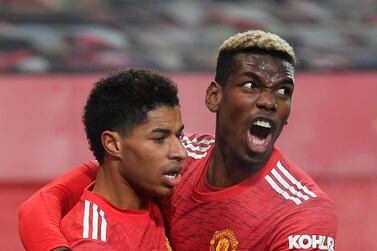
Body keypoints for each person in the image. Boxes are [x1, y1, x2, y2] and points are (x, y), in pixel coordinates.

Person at [19, 30, 337, 251]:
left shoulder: (301, 213)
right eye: (251, 85)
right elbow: (43, 204)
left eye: (284, 91)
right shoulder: (173, 162)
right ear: (215, 96)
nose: (269, 101)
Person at [25, 68, 187, 250]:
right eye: (159, 139)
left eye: (179, 136)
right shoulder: (92, 242)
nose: (182, 152)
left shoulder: (152, 186)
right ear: (113, 144)